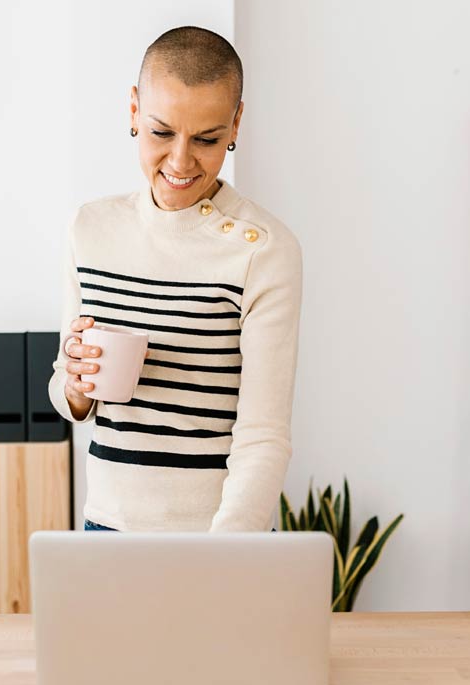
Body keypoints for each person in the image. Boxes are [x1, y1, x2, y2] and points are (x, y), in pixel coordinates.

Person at [48, 26, 302, 532]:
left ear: (236, 124)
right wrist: (75, 387)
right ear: (134, 111)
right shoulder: (91, 227)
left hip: (218, 538)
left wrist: (222, 553)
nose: (181, 161)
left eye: (207, 139)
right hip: (107, 529)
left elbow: (263, 435)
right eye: (162, 132)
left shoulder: (264, 249)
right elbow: (69, 392)